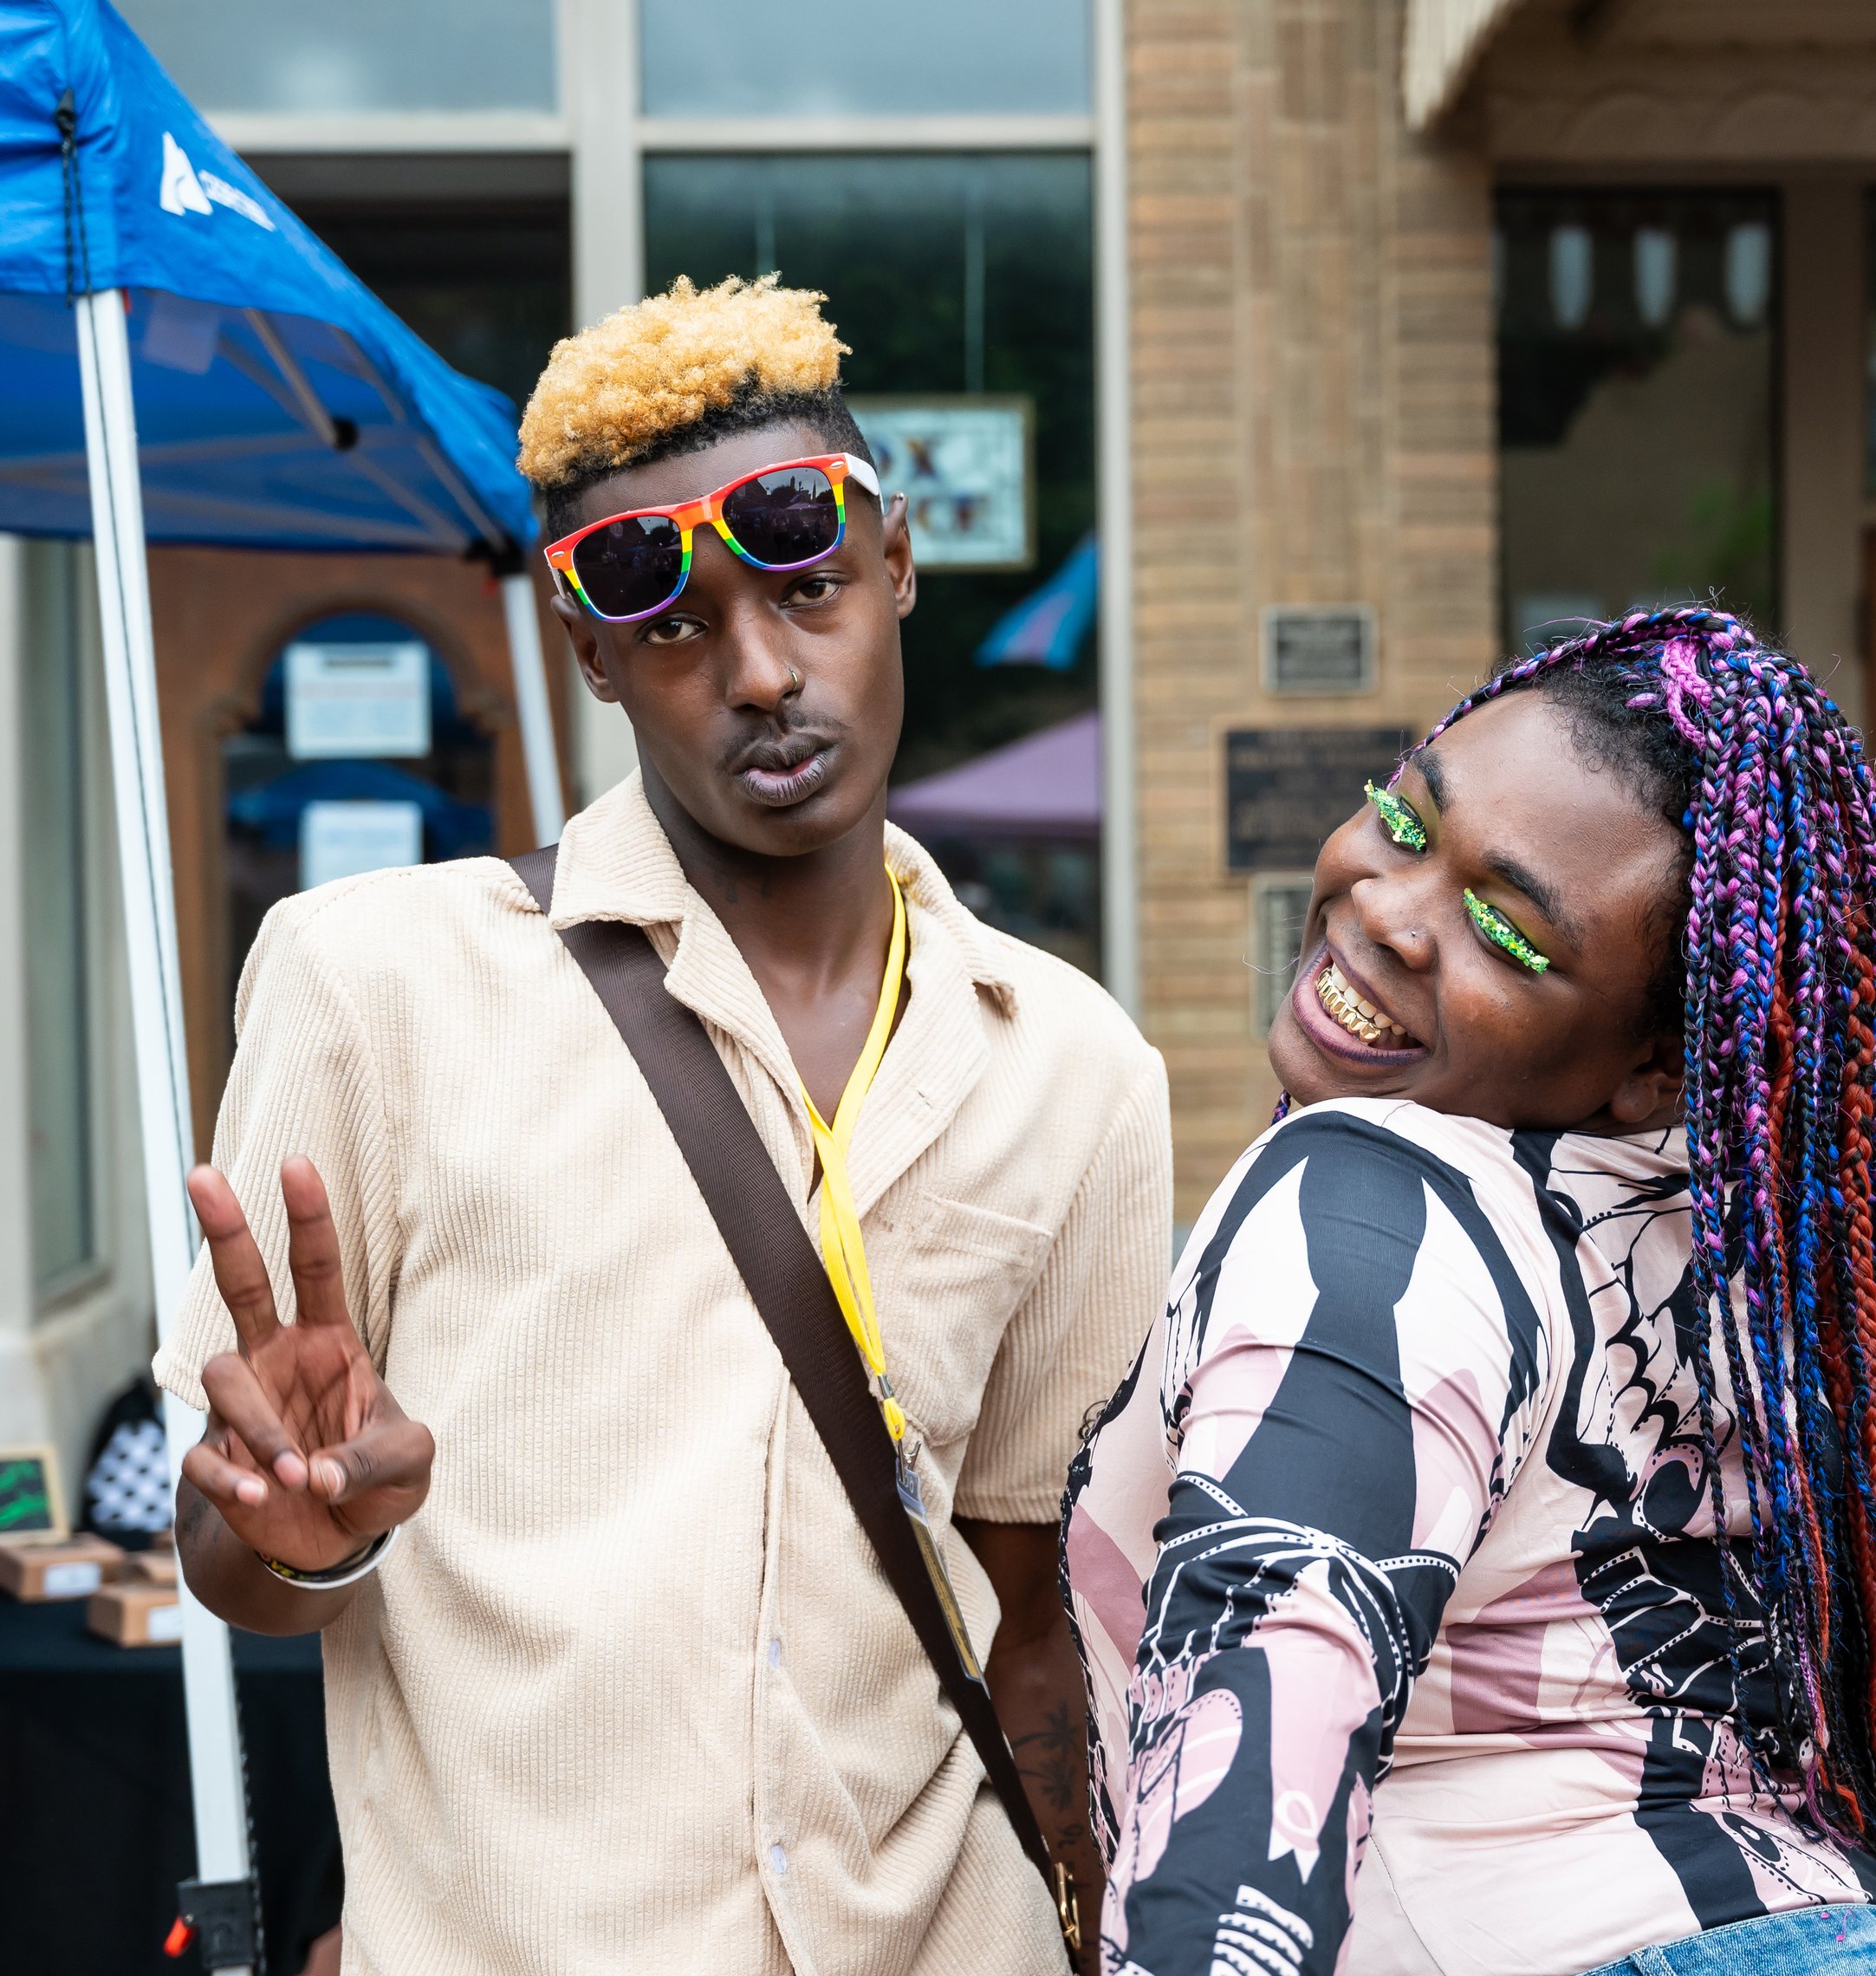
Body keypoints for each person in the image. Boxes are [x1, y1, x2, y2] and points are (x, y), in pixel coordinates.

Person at [158, 275, 1170, 1976]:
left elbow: (1044, 1607)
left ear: (898, 566)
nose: (763, 673)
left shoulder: (1073, 1064)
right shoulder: (379, 987)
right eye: (678, 625)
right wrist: (303, 1543)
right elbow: (243, 1549)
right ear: (592, 654)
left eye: (812, 591)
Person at [1062, 610, 1876, 1976]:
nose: (1390, 916)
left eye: (1505, 932)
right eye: (1405, 826)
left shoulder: (1365, 1192)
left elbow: (1261, 1708)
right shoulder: (1835, 1277)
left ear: (1655, 1063)